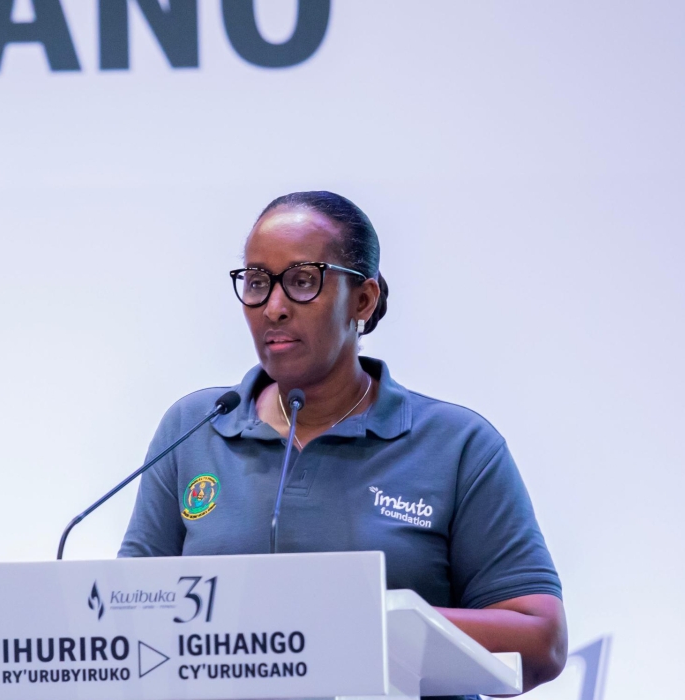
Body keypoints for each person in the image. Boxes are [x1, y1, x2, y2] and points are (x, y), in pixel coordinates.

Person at [119, 191, 567, 695]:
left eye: (303, 281)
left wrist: (360, 620)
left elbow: (540, 641)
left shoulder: (458, 445)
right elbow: (129, 620)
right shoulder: (195, 428)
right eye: (258, 282)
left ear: (363, 300)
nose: (275, 307)